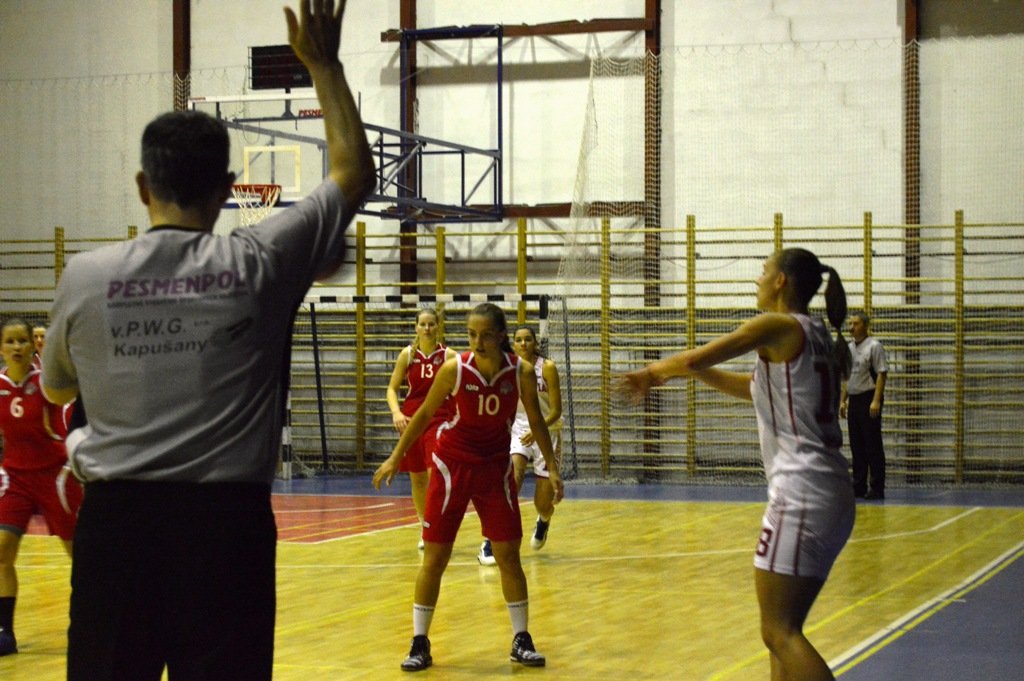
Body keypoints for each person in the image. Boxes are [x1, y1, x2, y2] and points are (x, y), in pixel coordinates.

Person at [40, 1, 375, 679]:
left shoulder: (84, 276)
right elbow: (351, 174)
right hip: (226, 533)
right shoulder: (260, 263)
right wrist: (325, 65)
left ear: (143, 186)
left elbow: (55, 386)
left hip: (117, 529)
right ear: (227, 189)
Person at [619, 248, 855, 681]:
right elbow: (754, 390)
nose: (758, 280)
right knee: (783, 631)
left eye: (764, 271)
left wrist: (653, 373)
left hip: (802, 491)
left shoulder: (776, 325)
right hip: (829, 490)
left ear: (781, 281)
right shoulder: (814, 332)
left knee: (779, 632)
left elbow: (696, 358)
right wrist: (691, 373)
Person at [373, 303, 564, 672]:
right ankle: (419, 642)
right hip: (452, 466)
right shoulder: (455, 368)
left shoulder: (520, 372)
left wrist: (552, 468)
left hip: (494, 468)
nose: (477, 341)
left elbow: (537, 420)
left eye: (486, 334)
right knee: (436, 558)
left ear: (501, 336)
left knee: (508, 554)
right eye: (471, 334)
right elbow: (425, 414)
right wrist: (396, 457)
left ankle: (521, 639)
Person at [0, 317, 83, 657]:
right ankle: (5, 631)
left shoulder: (47, 382)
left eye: (24, 340)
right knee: (2, 548)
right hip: (16, 476)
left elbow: (67, 418)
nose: (18, 346)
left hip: (54, 476)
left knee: (79, 555)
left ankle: (87, 623)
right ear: (2, 348)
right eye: (11, 341)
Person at [479, 325, 562, 565]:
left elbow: (556, 411)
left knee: (542, 502)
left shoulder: (547, 368)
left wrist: (538, 432)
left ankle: (544, 519)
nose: (523, 343)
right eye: (518, 340)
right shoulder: (507, 368)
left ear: (535, 343)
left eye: (528, 339)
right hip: (517, 429)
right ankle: (490, 540)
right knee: (511, 479)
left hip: (548, 430)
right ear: (513, 344)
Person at [386, 308, 456, 550]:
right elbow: (392, 389)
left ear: (438, 327)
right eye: (422, 324)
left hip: (438, 418)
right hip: (412, 419)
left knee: (434, 473)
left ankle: (437, 524)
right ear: (416, 327)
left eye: (431, 324)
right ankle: (424, 525)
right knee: (416, 477)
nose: (426, 328)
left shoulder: (449, 355)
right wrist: (396, 412)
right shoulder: (407, 355)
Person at [840, 312, 888, 500]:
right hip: (854, 399)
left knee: (872, 445)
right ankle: (858, 485)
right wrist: (843, 400)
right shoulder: (849, 348)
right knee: (856, 445)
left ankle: (877, 487)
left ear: (865, 326)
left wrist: (876, 400)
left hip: (869, 398)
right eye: (850, 323)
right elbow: (847, 376)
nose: (851, 327)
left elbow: (882, 374)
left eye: (856, 323)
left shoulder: (874, 346)